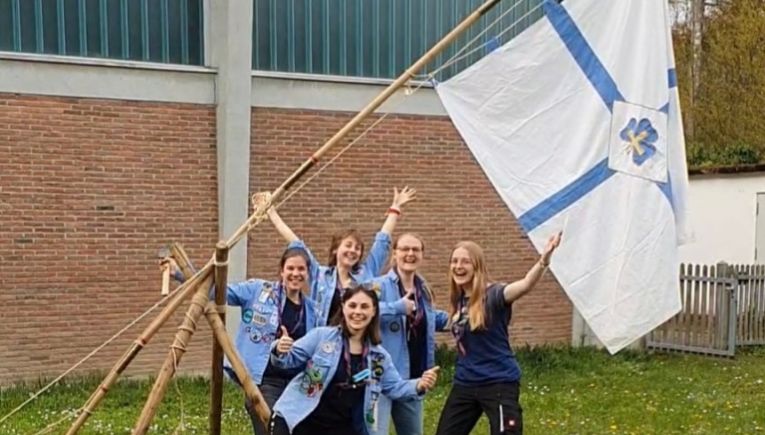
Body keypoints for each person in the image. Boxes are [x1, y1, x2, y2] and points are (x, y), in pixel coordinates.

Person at [164, 247, 318, 435]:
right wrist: (179, 273)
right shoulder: (258, 291)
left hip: (296, 383)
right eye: (291, 268)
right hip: (264, 381)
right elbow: (218, 291)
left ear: (308, 273)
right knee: (273, 429)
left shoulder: (312, 311)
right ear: (281, 271)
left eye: (301, 269)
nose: (295, 274)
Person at [435, 232, 562, 435]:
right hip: (465, 382)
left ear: (477, 266)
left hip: (498, 382)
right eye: (454, 261)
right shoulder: (458, 300)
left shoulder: (494, 294)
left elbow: (525, 285)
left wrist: (543, 260)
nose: (458, 266)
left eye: (465, 261)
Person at [268, 284, 440, 435]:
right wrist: (280, 348)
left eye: (364, 307)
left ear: (373, 311)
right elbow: (288, 360)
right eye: (352, 306)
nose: (358, 312)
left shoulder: (379, 357)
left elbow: (395, 387)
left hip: (341, 427)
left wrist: (419, 384)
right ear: (343, 308)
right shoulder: (321, 337)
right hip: (298, 420)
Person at [256, 187, 416, 326]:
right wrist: (272, 213)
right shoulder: (320, 275)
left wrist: (395, 209)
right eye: (348, 245)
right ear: (335, 250)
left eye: (357, 248)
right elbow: (296, 243)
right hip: (325, 343)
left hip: (357, 343)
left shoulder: (367, 272)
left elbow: (382, 242)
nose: (352, 251)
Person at [372, 233, 449, 435]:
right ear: (395, 253)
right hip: (380, 378)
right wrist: (397, 307)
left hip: (413, 377)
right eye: (405, 249)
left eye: (416, 249)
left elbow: (428, 318)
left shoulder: (424, 290)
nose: (410, 253)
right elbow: (363, 312)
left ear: (422, 254)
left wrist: (456, 320)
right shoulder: (377, 285)